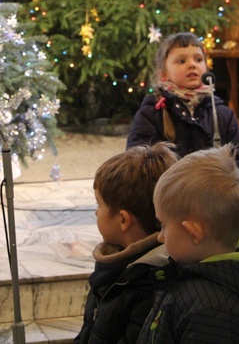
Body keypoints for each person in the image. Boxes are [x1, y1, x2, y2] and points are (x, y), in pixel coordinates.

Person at [137, 145, 239, 343]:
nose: (161, 237)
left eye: (163, 225)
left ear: (193, 232)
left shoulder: (212, 313)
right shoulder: (201, 283)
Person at [74, 142, 178, 344]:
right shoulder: (114, 265)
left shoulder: (150, 284)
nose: (96, 212)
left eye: (99, 204)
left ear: (123, 220)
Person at [126, 32, 239, 181]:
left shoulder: (219, 111)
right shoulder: (152, 113)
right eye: (181, 61)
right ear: (164, 75)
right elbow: (137, 160)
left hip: (217, 197)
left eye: (198, 59)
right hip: (170, 197)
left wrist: (233, 186)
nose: (192, 64)